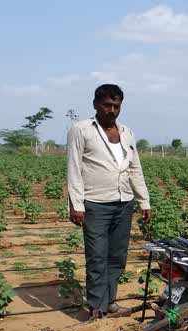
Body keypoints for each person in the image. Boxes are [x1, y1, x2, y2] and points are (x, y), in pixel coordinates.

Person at [67, 84, 152, 319]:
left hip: (124, 203)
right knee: (96, 256)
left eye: (116, 106)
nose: (111, 110)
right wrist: (76, 204)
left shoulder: (126, 132)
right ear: (96, 105)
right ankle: (97, 308)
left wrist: (144, 201)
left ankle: (110, 301)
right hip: (95, 203)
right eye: (107, 105)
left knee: (116, 257)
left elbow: (135, 169)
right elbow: (73, 168)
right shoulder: (81, 130)